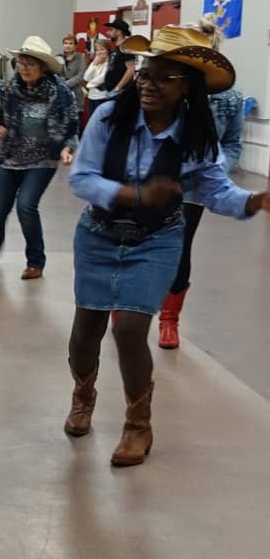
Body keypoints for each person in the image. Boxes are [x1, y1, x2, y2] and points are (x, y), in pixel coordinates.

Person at [64, 24, 270, 467]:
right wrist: (131, 195)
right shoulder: (110, 117)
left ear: (187, 87)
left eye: (162, 77)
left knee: (129, 329)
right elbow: (81, 178)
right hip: (98, 234)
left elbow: (215, 190)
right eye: (143, 74)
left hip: (157, 239)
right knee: (86, 332)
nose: (147, 84)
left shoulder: (195, 135)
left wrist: (254, 200)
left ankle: (138, 424)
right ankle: (83, 393)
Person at [157, 17, 245, 350]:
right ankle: (130, 302)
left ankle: (169, 319)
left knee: (179, 244)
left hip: (194, 186)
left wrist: (217, 169)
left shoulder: (231, 97)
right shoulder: (169, 84)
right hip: (155, 176)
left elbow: (233, 141)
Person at [0, 36, 79, 280]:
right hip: (11, 157)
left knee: (26, 206)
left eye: (30, 64)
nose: (24, 68)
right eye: (21, 63)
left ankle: (35, 262)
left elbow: (71, 124)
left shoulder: (59, 93)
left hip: (42, 160)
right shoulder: (10, 90)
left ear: (43, 67)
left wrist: (67, 148)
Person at [83, 37, 112, 127]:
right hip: (92, 96)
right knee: (92, 121)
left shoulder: (110, 63)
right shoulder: (96, 62)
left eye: (102, 49)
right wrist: (94, 64)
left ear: (108, 50)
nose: (99, 52)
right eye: (97, 50)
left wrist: (88, 85)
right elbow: (86, 76)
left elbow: (102, 79)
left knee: (101, 122)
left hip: (102, 96)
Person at [104, 18, 137, 95]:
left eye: (111, 30)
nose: (108, 33)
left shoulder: (126, 47)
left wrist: (117, 88)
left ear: (119, 32)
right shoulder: (117, 48)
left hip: (120, 92)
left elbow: (131, 69)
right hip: (110, 90)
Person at [59, 33, 88, 107]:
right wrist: (62, 82)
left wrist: (66, 84)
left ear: (75, 46)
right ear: (63, 45)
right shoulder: (59, 57)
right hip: (62, 93)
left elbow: (81, 75)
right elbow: (57, 74)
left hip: (76, 92)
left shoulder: (81, 57)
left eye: (70, 43)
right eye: (65, 43)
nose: (67, 45)